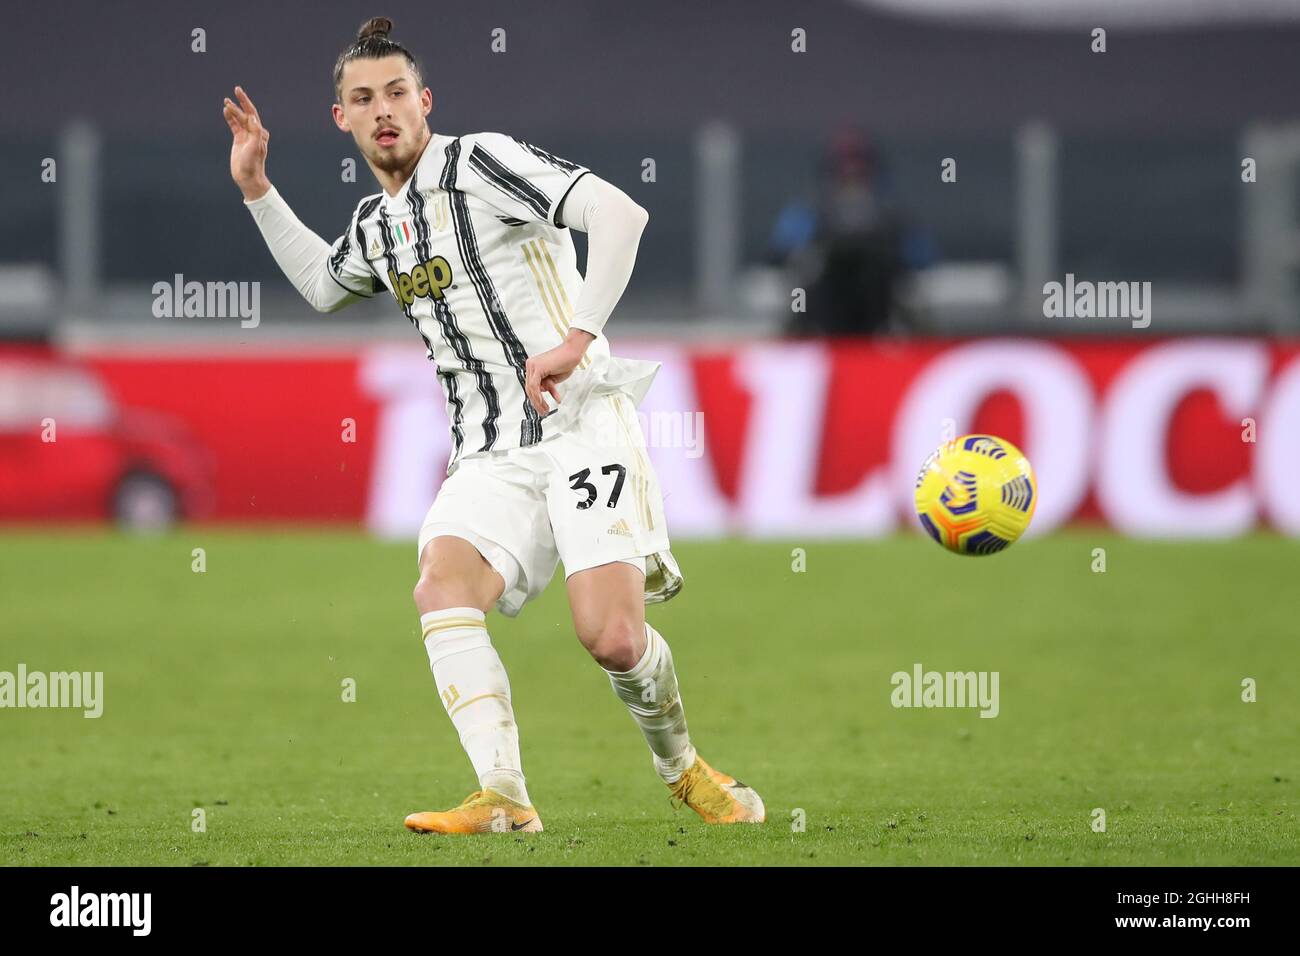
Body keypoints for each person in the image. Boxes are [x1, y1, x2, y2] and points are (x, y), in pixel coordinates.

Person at [223, 16, 764, 833]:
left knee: (613, 639)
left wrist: (577, 340)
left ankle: (683, 768)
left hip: (580, 424)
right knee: (440, 584)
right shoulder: (378, 224)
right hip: (488, 450)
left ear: (424, 100)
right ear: (342, 120)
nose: (383, 111)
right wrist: (257, 187)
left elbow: (622, 216)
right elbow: (327, 287)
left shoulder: (482, 163)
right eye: (362, 99)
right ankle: (504, 796)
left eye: (396, 93)